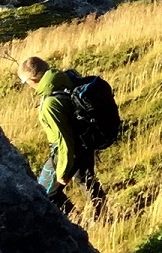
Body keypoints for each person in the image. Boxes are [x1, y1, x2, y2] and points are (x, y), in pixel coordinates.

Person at [19, 56, 106, 217]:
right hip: (85, 142)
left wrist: (63, 172)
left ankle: (74, 222)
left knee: (46, 193)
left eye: (25, 82)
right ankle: (104, 216)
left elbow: (63, 140)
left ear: (32, 79)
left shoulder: (49, 104)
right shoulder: (66, 78)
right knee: (86, 180)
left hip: (66, 152)